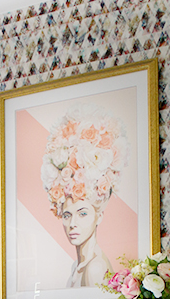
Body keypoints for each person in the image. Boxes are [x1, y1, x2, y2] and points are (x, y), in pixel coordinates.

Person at [41, 105, 129, 288]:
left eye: (82, 214)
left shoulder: (95, 268)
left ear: (100, 216)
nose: (72, 223)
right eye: (67, 215)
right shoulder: (78, 266)